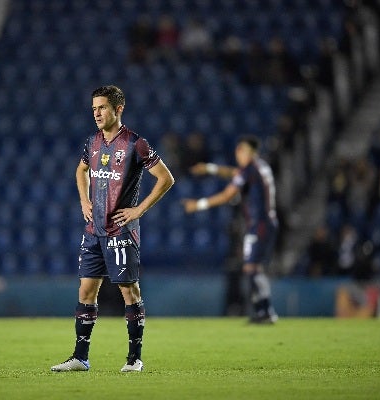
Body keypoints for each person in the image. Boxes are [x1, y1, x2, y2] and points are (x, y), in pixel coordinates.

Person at [50, 85, 174, 372]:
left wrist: (139, 210)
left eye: (102, 107)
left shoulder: (136, 143)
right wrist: (84, 200)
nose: (96, 113)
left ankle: (134, 359)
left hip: (121, 231)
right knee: (85, 292)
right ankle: (80, 358)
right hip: (94, 230)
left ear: (119, 109)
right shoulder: (91, 142)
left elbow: (165, 178)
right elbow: (80, 170)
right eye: (94, 108)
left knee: (129, 291)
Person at [182, 136, 278, 323]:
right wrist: (211, 168)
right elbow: (235, 173)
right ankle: (264, 311)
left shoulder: (250, 168)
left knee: (251, 268)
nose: (237, 155)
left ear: (246, 152)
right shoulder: (260, 167)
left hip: (258, 224)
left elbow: (228, 195)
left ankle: (264, 311)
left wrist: (198, 205)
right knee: (255, 268)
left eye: (239, 152)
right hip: (267, 222)